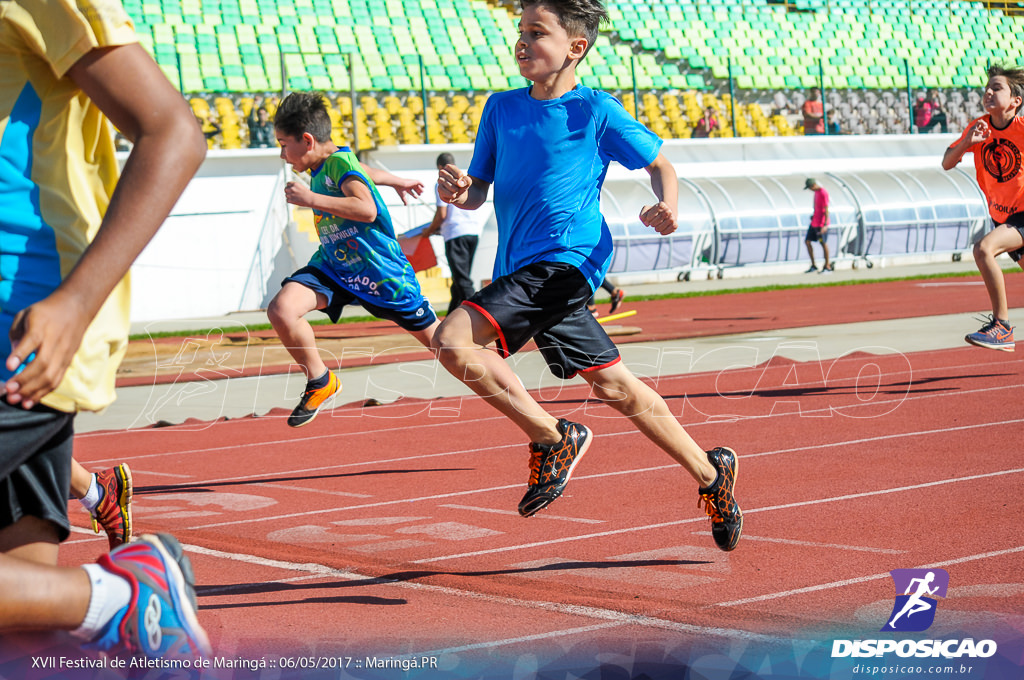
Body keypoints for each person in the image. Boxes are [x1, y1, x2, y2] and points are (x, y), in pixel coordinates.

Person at [432, 0, 742, 552]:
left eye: (537, 32)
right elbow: (479, 189)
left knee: (453, 341)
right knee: (615, 386)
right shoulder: (501, 109)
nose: (523, 42)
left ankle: (553, 439)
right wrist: (462, 192)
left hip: (568, 262)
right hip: (522, 269)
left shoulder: (594, 110)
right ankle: (712, 474)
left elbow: (660, 166)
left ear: (576, 47)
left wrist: (667, 206)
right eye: (520, 31)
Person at [0, 0, 210, 659]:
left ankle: (126, 598)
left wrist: (76, 302)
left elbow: (172, 132)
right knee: (24, 628)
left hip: (28, 332)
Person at [267, 92, 439, 427]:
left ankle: (497, 375)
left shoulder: (335, 165)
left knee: (447, 349)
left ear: (306, 140)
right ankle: (320, 380)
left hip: (379, 271)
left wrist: (310, 198)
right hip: (334, 265)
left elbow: (366, 209)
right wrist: (397, 180)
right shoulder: (328, 163)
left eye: (283, 144)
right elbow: (362, 170)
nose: (282, 154)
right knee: (282, 309)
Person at [942, 64, 1024, 352]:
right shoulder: (979, 127)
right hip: (1002, 216)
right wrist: (967, 142)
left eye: (997, 88)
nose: (988, 92)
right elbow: (947, 163)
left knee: (983, 249)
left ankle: (1001, 327)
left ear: (1016, 101)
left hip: (1022, 217)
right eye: (986, 89)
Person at [424, 153, 487, 314]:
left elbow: (442, 215)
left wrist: (429, 231)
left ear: (440, 167)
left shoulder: (443, 183)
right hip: (473, 232)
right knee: (459, 279)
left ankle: (479, 312)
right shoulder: (465, 179)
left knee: (462, 280)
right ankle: (453, 313)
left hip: (455, 234)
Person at [803, 177, 833, 273]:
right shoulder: (816, 193)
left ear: (813, 185)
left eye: (810, 187)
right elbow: (817, 207)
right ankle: (813, 265)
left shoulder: (823, 192)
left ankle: (827, 266)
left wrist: (825, 224)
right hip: (814, 223)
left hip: (821, 223)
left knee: (823, 243)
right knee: (807, 241)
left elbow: (826, 209)